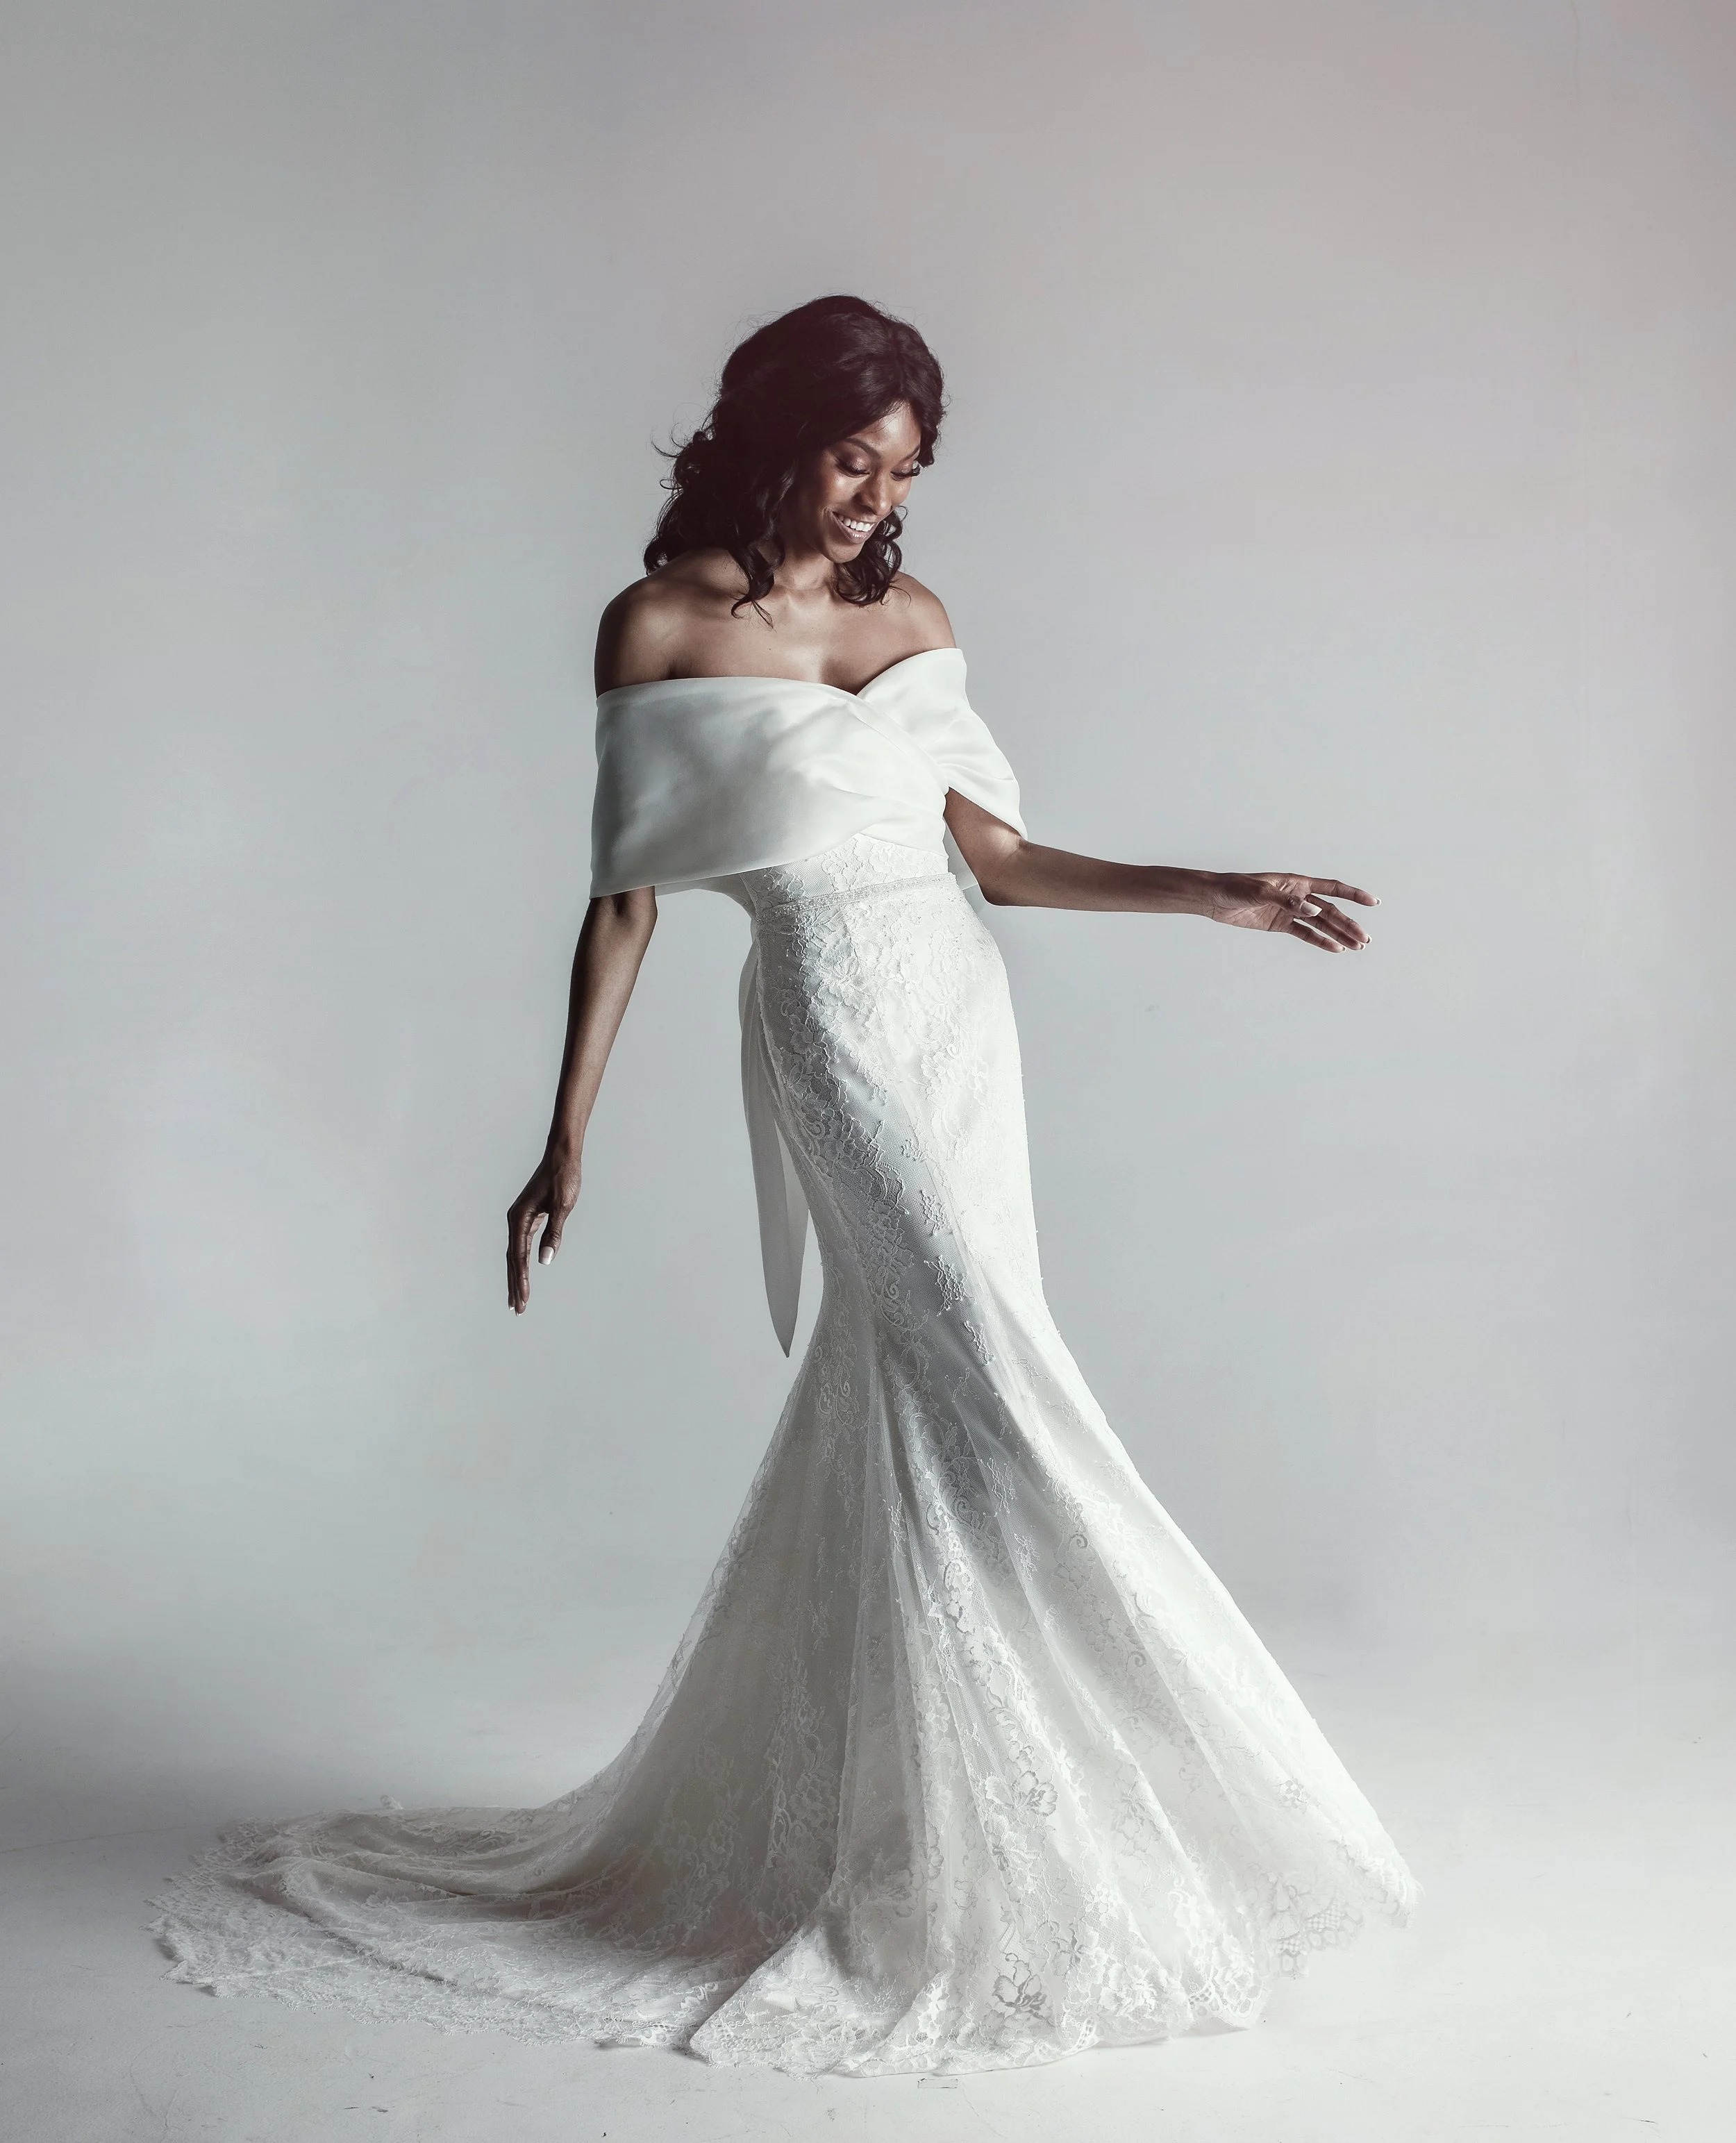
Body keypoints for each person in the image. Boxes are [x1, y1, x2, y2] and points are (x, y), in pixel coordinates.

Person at [154, 295, 1417, 2077]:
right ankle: (1169, 1776)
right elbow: (625, 897)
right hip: (830, 1017)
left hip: (958, 1015)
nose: (874, 498)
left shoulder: (914, 617)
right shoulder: (659, 623)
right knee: (995, 1387)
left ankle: (941, 1823)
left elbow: (994, 859)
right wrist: (566, 1132)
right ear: (772, 438)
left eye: (901, 471)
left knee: (925, 1387)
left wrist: (1209, 890)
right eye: (848, 459)